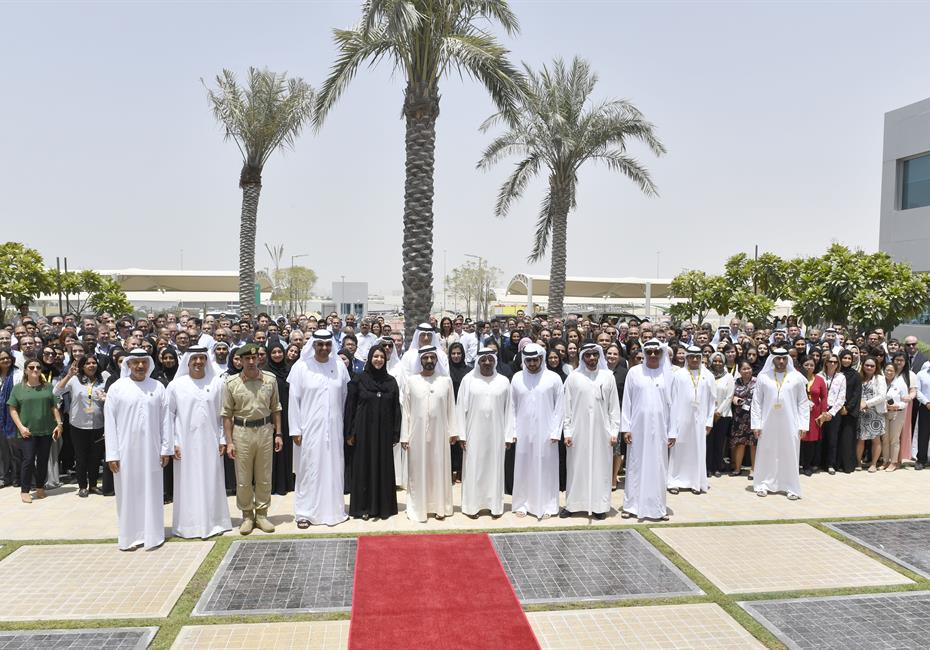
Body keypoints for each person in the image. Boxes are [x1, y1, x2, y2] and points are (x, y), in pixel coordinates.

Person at [104, 349, 172, 550]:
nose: (140, 366)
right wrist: (112, 454)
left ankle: (153, 535)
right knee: (127, 493)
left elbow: (165, 420)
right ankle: (129, 537)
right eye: (136, 363)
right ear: (129, 365)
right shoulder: (117, 388)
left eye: (144, 362)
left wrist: (165, 449)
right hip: (125, 452)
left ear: (149, 364)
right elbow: (110, 423)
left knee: (151, 491)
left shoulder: (158, 387)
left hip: (152, 452)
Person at [168, 347, 231, 539]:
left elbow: (223, 414)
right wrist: (173, 443)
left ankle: (215, 522)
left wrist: (222, 439)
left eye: (202, 358)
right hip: (184, 443)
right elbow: (168, 416)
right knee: (187, 483)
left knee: (211, 480)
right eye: (194, 358)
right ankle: (189, 525)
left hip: (211, 443)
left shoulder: (217, 382)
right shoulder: (176, 385)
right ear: (187, 361)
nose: (198, 362)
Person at [288, 330, 349, 528]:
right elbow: (293, 401)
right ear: (313, 345)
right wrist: (295, 429)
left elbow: (344, 398)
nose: (324, 348)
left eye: (328, 344)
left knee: (333, 468)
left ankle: (333, 510)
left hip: (334, 428)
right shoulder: (301, 367)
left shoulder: (339, 366)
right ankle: (305, 513)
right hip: (309, 429)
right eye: (320, 344)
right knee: (309, 470)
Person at [223, 343, 283, 535]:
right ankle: (247, 515)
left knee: (264, 476)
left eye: (253, 358)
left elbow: (276, 408)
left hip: (265, 430)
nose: (250, 362)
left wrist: (279, 434)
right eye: (246, 358)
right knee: (243, 478)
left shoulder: (270, 380)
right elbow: (226, 414)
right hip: (242, 432)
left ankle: (262, 514)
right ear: (240, 360)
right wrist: (230, 441)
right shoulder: (231, 383)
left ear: (259, 358)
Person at [560, 344, 621, 519]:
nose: (592, 358)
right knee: (576, 467)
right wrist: (568, 432)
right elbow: (567, 407)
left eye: (595, 355)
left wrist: (614, 431)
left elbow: (614, 407)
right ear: (582, 358)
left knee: (600, 467)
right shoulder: (573, 377)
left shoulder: (608, 376)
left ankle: (599, 506)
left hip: (603, 433)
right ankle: (573, 505)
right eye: (588, 355)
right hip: (578, 432)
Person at [400, 346, 457, 522]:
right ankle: (420, 508)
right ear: (420, 361)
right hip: (416, 435)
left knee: (439, 469)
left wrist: (453, 432)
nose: (430, 361)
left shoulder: (445, 381)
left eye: (433, 358)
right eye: (426, 358)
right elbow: (407, 411)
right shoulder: (411, 380)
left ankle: (440, 507)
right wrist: (404, 436)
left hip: (440, 434)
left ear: (437, 360)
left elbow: (451, 409)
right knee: (419, 471)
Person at [344, 345, 401, 520]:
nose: (378, 360)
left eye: (382, 357)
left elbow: (395, 409)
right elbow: (350, 408)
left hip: (383, 434)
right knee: (364, 467)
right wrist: (350, 433)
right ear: (370, 358)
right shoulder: (359, 380)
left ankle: (383, 508)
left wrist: (395, 433)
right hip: (363, 433)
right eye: (375, 356)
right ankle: (363, 508)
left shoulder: (391, 382)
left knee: (382, 467)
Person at [456, 347, 513, 518]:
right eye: (483, 359)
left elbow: (510, 409)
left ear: (495, 361)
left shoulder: (503, 381)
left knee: (494, 469)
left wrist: (509, 435)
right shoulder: (468, 380)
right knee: (474, 468)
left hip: (497, 433)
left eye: (490, 359)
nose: (487, 362)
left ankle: (494, 506)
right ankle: (472, 507)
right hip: (473, 433)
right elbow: (460, 409)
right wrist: (462, 435)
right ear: (478, 361)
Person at [621, 339, 674, 521]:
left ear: (661, 353)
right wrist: (626, 428)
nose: (652, 355)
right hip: (637, 428)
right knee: (636, 465)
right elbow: (626, 401)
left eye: (656, 352)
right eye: (649, 352)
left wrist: (673, 431)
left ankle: (657, 507)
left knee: (658, 466)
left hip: (661, 430)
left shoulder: (668, 375)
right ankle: (631, 506)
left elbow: (674, 406)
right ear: (644, 353)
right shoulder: (634, 372)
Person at [510, 343, 564, 520]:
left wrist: (556, 431)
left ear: (541, 358)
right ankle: (523, 504)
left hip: (547, 433)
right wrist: (513, 431)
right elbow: (512, 406)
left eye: (535, 360)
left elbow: (560, 407)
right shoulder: (517, 378)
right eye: (528, 360)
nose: (532, 364)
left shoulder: (554, 378)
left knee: (546, 468)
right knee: (524, 467)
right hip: (523, 432)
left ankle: (548, 505)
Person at [751, 347, 809, 500]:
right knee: (767, 452)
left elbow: (803, 402)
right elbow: (756, 402)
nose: (781, 361)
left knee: (789, 453)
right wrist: (756, 424)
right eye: (778, 358)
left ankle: (790, 487)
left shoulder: (796, 377)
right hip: (767, 423)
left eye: (784, 358)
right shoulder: (763, 377)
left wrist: (803, 425)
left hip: (791, 423)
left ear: (788, 360)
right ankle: (763, 484)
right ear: (773, 359)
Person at [7, 358, 63, 503]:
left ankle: (39, 487)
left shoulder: (48, 387)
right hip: (27, 431)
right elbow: (12, 409)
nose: (35, 370)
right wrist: (20, 427)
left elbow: (54, 407)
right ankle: (25, 490)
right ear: (26, 370)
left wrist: (59, 424)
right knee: (28, 460)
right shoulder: (18, 388)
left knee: (43, 460)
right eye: (31, 367)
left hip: (46, 430)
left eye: (38, 367)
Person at [53, 355, 106, 497]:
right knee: (81, 457)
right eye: (88, 363)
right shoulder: (75, 380)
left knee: (95, 457)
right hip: (78, 425)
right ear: (82, 366)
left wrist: (105, 398)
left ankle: (93, 485)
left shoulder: (103, 381)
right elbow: (56, 392)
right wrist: (69, 375)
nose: (91, 365)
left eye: (94, 363)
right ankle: (83, 486)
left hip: (98, 424)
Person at [667, 346, 715, 496]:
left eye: (697, 357)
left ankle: (696, 482)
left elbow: (712, 401)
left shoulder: (708, 376)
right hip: (680, 419)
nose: (694, 359)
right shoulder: (678, 375)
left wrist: (709, 421)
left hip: (700, 421)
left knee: (698, 450)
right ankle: (674, 481)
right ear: (686, 358)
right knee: (679, 450)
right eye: (691, 356)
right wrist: (672, 424)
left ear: (701, 358)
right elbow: (672, 400)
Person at [264, 342, 294, 496]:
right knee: (272, 449)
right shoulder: (265, 372)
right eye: (274, 352)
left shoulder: (289, 370)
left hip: (288, 413)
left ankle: (287, 482)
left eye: (279, 352)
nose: (277, 355)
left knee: (287, 449)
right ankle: (273, 484)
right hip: (271, 415)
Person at [707, 351, 735, 478]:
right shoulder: (706, 375)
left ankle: (717, 467)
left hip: (723, 415)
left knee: (719, 442)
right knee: (708, 442)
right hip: (707, 414)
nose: (717, 363)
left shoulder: (728, 377)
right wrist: (711, 412)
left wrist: (718, 412)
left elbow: (729, 397)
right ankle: (707, 467)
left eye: (720, 361)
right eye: (715, 361)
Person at [819, 353, 847, 474]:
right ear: (826, 362)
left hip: (833, 411)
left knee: (832, 439)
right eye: (830, 361)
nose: (832, 364)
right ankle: (818, 462)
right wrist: (822, 411)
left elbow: (841, 397)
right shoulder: (820, 376)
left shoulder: (841, 377)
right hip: (820, 411)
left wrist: (831, 412)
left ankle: (830, 463)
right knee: (820, 438)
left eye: (835, 362)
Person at [799, 356, 827, 476]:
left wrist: (823, 412)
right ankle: (797, 463)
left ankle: (807, 465)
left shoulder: (820, 379)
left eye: (811, 365)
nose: (809, 367)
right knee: (799, 438)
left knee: (811, 440)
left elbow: (824, 397)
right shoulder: (797, 378)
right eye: (806, 365)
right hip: (799, 412)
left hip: (814, 413)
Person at [730, 360, 757, 476]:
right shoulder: (735, 382)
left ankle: (754, 470)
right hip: (739, 417)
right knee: (740, 443)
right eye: (744, 369)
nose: (746, 371)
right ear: (739, 371)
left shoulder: (758, 382)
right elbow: (730, 395)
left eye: (748, 368)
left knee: (753, 444)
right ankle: (737, 468)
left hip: (754, 416)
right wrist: (735, 399)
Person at [836, 349, 861, 474]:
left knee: (847, 439)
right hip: (835, 410)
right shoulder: (836, 373)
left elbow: (857, 394)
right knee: (836, 438)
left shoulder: (856, 375)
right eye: (844, 358)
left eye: (849, 358)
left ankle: (847, 465)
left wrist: (847, 407)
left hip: (849, 412)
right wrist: (838, 406)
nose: (846, 360)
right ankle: (835, 464)